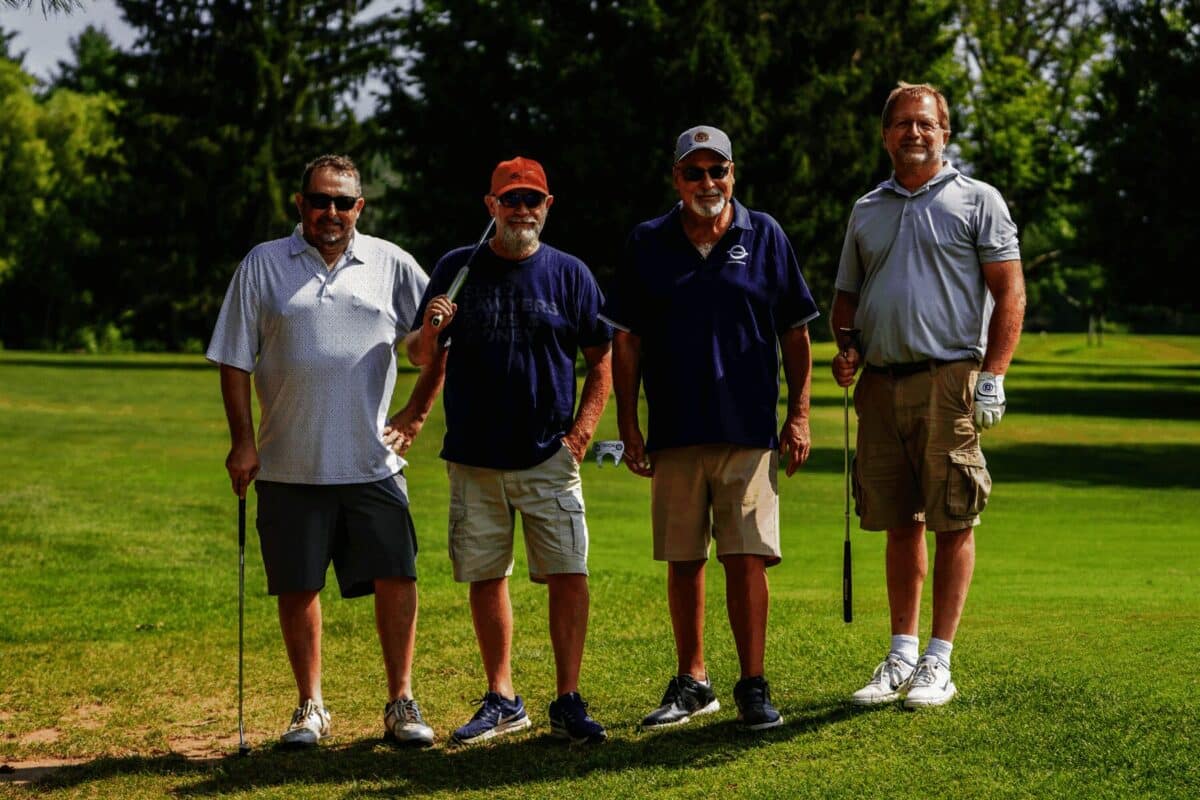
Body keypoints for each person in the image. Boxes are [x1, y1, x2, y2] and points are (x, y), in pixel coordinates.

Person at [208, 154, 443, 748]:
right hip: (288, 460)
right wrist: (241, 441)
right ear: (301, 204)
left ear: (359, 207)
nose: (331, 212)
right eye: (320, 200)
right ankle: (310, 705)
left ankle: (401, 701)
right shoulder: (264, 264)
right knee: (298, 584)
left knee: (397, 575)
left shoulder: (391, 263)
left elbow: (431, 345)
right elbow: (234, 359)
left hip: (371, 461)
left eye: (343, 202)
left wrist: (415, 415)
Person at [601, 125, 819, 731]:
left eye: (716, 171)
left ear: (732, 174)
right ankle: (693, 682)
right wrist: (628, 424)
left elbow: (796, 334)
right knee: (683, 559)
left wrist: (798, 415)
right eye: (693, 172)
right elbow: (627, 341)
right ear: (676, 178)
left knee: (747, 558)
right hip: (674, 428)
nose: (707, 183)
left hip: (749, 430)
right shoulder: (647, 241)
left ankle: (753, 683)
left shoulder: (765, 234)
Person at [405, 157, 613, 745]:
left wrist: (580, 437)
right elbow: (423, 355)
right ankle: (502, 697)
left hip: (549, 455)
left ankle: (568, 698)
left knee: (569, 573)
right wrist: (430, 327)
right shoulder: (458, 267)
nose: (522, 210)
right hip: (473, 456)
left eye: (532, 200)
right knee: (486, 575)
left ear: (548, 206)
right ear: (490, 205)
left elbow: (603, 361)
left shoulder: (570, 274)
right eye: (510, 200)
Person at [832, 82, 1026, 708]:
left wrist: (994, 375)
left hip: (950, 380)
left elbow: (1010, 293)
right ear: (885, 136)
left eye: (925, 124)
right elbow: (847, 300)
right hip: (881, 385)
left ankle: (938, 662)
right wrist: (848, 344)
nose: (913, 134)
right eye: (901, 125)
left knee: (952, 516)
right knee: (897, 520)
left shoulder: (979, 200)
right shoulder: (867, 209)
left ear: (944, 133)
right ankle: (901, 655)